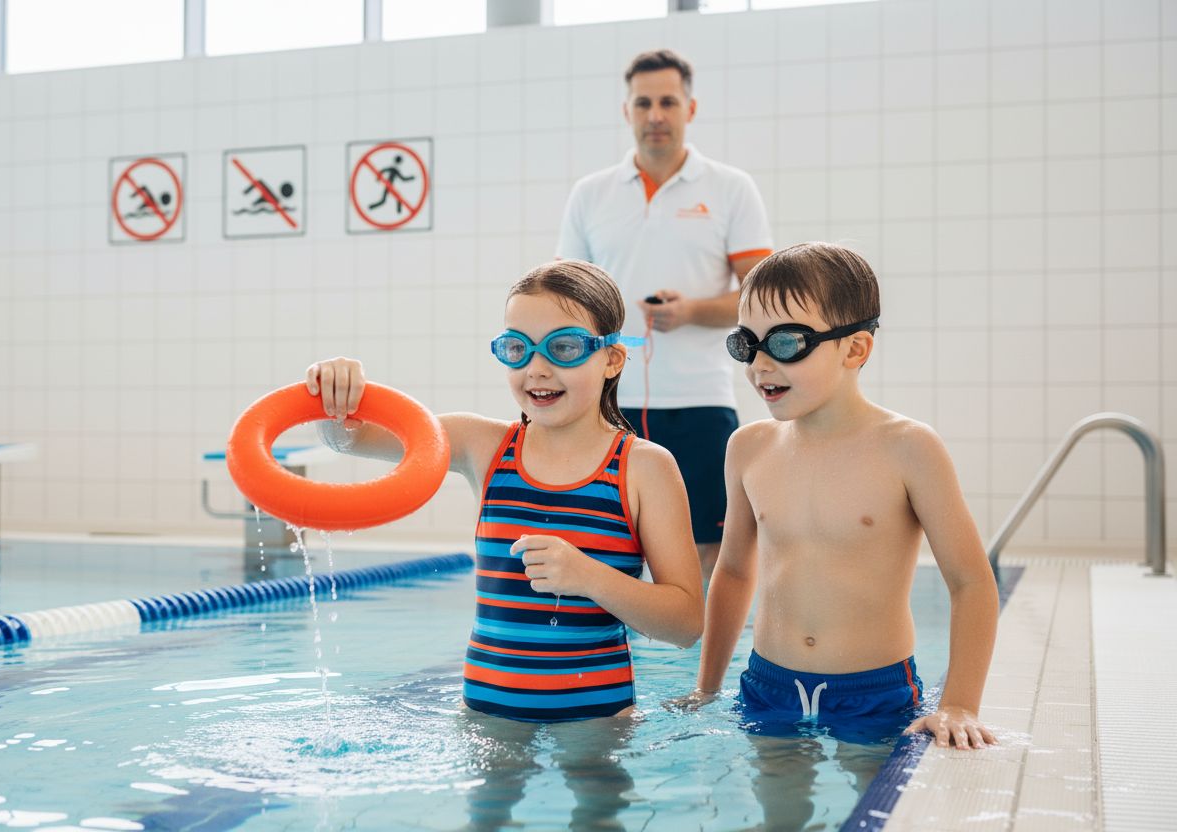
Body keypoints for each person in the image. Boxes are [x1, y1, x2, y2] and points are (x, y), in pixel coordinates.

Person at [306, 260, 704, 827]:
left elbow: (687, 622)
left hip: (597, 719)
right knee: (486, 819)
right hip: (487, 715)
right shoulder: (482, 445)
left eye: (564, 348)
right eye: (517, 349)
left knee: (598, 817)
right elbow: (353, 440)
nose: (537, 370)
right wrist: (335, 395)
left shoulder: (643, 468)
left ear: (612, 358)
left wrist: (589, 576)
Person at [683, 241, 998, 746]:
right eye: (747, 343)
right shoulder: (748, 447)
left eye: (786, 343)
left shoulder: (908, 448)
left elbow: (970, 583)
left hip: (874, 689)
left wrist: (959, 703)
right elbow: (736, 571)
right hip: (768, 685)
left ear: (855, 349)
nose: (760, 363)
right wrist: (707, 687)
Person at [557, 48, 773, 581]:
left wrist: (694, 310)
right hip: (606, 401)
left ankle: (696, 668)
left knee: (709, 556)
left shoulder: (730, 188)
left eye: (668, 102)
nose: (656, 114)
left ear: (689, 109)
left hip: (700, 399)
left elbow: (763, 297)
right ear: (627, 111)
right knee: (602, 546)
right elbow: (563, 298)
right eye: (644, 102)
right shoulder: (590, 195)